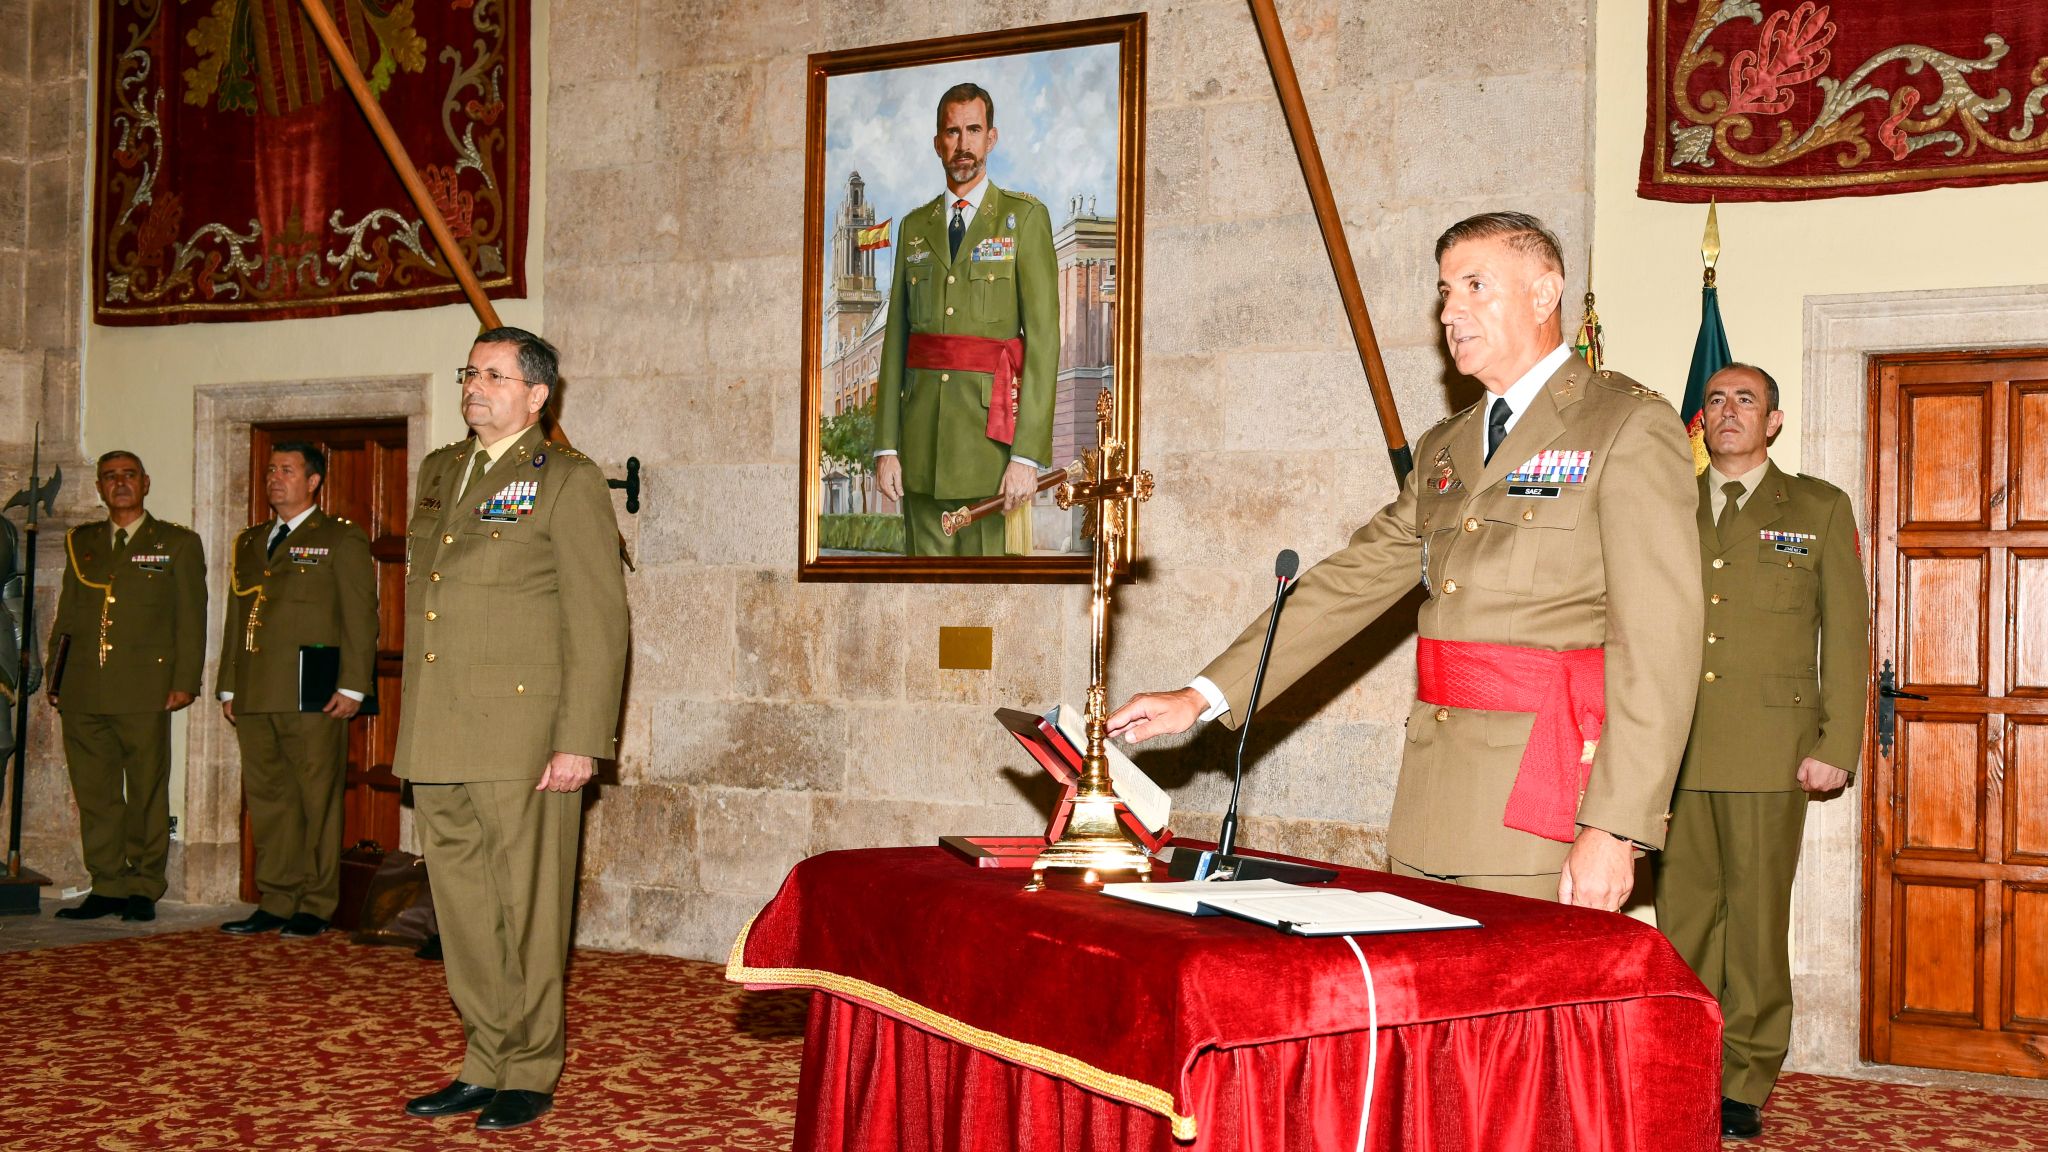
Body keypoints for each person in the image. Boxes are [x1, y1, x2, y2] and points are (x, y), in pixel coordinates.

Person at [1108, 212, 1702, 908]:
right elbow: (1349, 583)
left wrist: (1615, 826)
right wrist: (1200, 698)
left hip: (1547, 809)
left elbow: (1660, 644)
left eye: (1477, 286)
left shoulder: (1624, 424)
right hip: (1431, 806)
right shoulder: (1446, 446)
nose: (1451, 311)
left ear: (1545, 295)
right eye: (1446, 291)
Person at [397, 327, 628, 1132]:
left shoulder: (566, 481)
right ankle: (482, 1058)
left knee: (529, 909)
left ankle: (529, 1067)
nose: (475, 385)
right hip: (441, 730)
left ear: (537, 396)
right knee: (462, 912)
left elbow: (599, 624)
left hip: (525, 736)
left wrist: (580, 739)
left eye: (494, 375)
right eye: (470, 371)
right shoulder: (439, 471)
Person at [1654, 363, 1868, 1140]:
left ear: (1773, 421)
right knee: (1679, 923)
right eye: (1715, 401)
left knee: (1753, 922)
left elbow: (1845, 635)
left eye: (1746, 400)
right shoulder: (1668, 505)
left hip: (1771, 750)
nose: (1728, 412)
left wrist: (1835, 742)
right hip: (1672, 752)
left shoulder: (1814, 506)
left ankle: (1742, 1076)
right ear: (1701, 421)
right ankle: (1676, 1064)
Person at [873, 81, 1058, 556]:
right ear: (938, 143)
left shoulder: (1024, 219)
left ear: (991, 138)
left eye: (973, 130)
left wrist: (1026, 455)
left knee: (991, 606)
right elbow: (895, 344)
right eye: (952, 132)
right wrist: (886, 446)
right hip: (921, 450)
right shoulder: (915, 227)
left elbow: (1043, 346)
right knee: (922, 602)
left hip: (991, 453)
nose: (963, 144)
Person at [215, 442, 378, 939]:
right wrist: (227, 686)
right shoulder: (250, 541)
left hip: (314, 690)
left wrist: (354, 685)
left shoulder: (339, 538)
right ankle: (278, 897)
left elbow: (360, 615)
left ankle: (317, 902)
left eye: (287, 470)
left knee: (316, 801)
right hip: (257, 691)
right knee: (268, 801)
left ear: (313, 482)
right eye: (270, 471)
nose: (274, 478)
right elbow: (236, 617)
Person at [46, 452, 206, 923]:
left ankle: (143, 885)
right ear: (99, 487)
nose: (120, 484)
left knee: (146, 791)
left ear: (146, 483)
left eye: (129, 476)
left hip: (146, 688)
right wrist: (57, 678)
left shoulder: (176, 542)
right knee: (95, 793)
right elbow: (67, 616)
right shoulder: (84, 542)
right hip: (82, 688)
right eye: (111, 477)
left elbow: (190, 619)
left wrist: (184, 681)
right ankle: (107, 883)